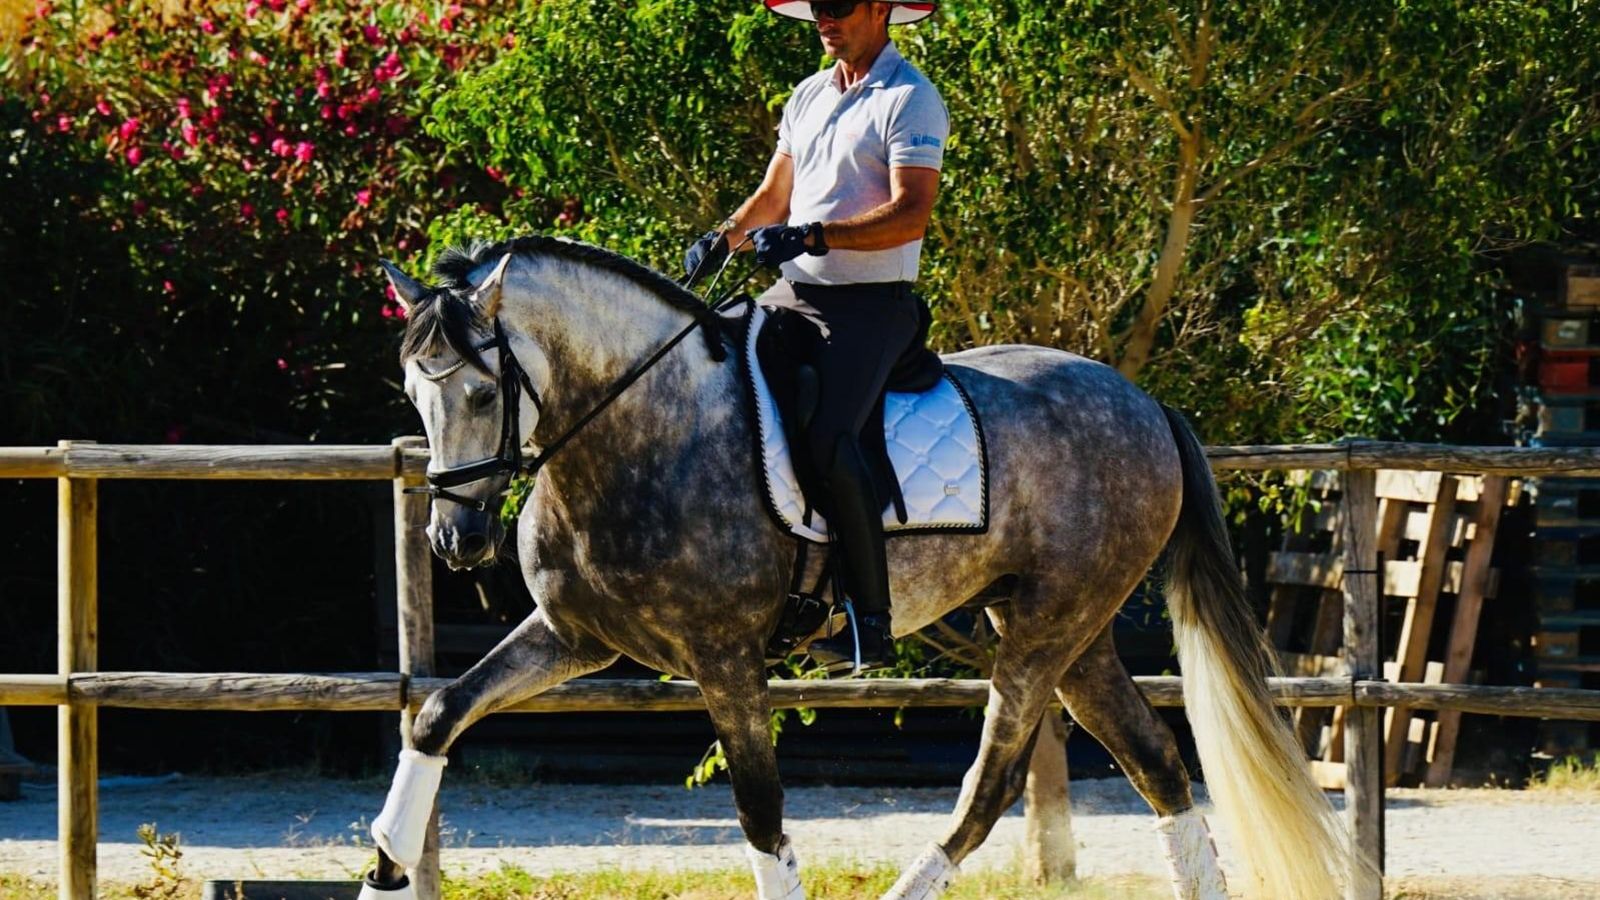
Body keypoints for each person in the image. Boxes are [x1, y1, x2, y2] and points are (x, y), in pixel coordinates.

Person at [685, 0, 946, 671]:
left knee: (829, 437)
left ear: (881, 8)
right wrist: (723, 238)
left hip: (870, 307)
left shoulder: (911, 97)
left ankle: (870, 621)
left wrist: (814, 236)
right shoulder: (806, 94)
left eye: (838, 6)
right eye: (818, 7)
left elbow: (911, 215)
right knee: (713, 383)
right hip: (793, 295)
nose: (824, 18)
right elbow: (774, 198)